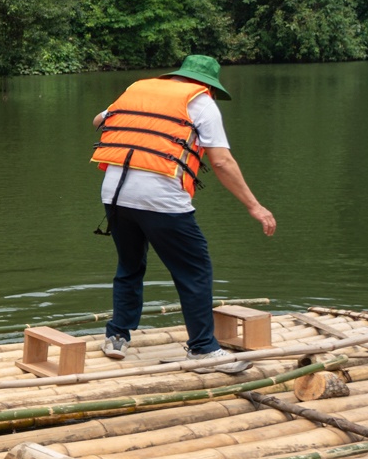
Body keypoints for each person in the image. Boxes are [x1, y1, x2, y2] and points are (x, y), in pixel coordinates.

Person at [91, 54, 276, 368]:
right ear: (208, 85)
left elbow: (99, 121)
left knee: (130, 265)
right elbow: (222, 162)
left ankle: (117, 336)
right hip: (160, 198)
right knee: (195, 271)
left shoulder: (138, 89)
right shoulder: (201, 103)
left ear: (177, 75)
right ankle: (202, 347)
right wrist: (254, 206)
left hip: (115, 194)